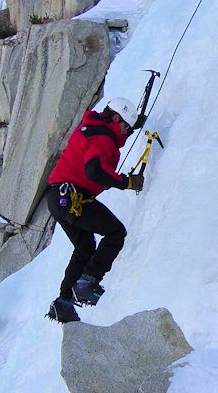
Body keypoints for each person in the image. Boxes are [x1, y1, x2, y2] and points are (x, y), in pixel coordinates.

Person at [45, 97, 144, 323]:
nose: (124, 132)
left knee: (85, 246)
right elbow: (95, 170)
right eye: (124, 126)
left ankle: (64, 302)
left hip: (59, 197)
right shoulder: (103, 136)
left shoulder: (95, 129)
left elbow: (108, 144)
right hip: (72, 197)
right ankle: (87, 282)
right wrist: (127, 182)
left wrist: (132, 126)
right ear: (116, 117)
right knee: (115, 233)